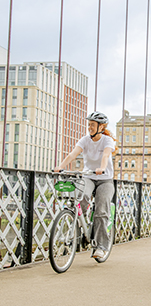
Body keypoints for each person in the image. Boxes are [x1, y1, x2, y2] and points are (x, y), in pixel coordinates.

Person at [54, 111, 116, 259]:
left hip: (105, 179)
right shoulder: (85, 140)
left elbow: (106, 156)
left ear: (101, 127)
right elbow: (73, 154)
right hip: (88, 176)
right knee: (81, 197)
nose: (90, 128)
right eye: (89, 125)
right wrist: (59, 167)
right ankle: (82, 225)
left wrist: (101, 168)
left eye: (93, 125)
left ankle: (101, 247)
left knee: (101, 211)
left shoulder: (108, 141)